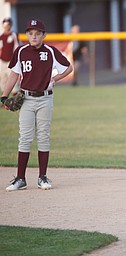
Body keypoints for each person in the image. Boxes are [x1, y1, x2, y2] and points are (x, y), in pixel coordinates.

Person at [0, 19, 73, 191]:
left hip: (45, 99)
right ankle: (20, 179)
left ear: (43, 35)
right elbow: (13, 76)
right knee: (24, 138)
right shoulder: (21, 51)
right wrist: (4, 96)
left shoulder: (50, 51)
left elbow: (68, 68)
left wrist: (54, 79)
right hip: (26, 98)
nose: (34, 36)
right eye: (31, 33)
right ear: (27, 35)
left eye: (37, 33)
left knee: (43, 137)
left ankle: (42, 177)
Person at [0, 17, 19, 95]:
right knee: (3, 79)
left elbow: (17, 46)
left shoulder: (14, 35)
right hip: (2, 61)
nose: (7, 26)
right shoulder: (1, 36)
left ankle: (15, 98)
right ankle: (4, 99)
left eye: (8, 24)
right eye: (5, 24)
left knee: (12, 78)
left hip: (11, 61)